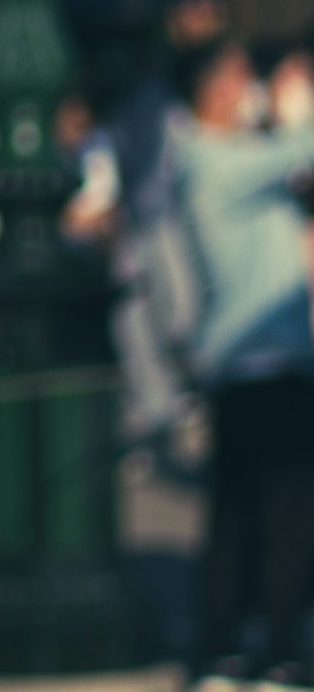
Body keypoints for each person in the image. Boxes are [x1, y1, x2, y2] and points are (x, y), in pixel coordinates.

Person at [173, 36, 314, 688]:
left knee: (239, 511)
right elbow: (303, 149)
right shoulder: (211, 159)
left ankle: (229, 646)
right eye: (240, 74)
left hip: (256, 365)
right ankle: (274, 650)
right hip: (261, 362)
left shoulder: (226, 156)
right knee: (284, 512)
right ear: (217, 89)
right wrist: (296, 105)